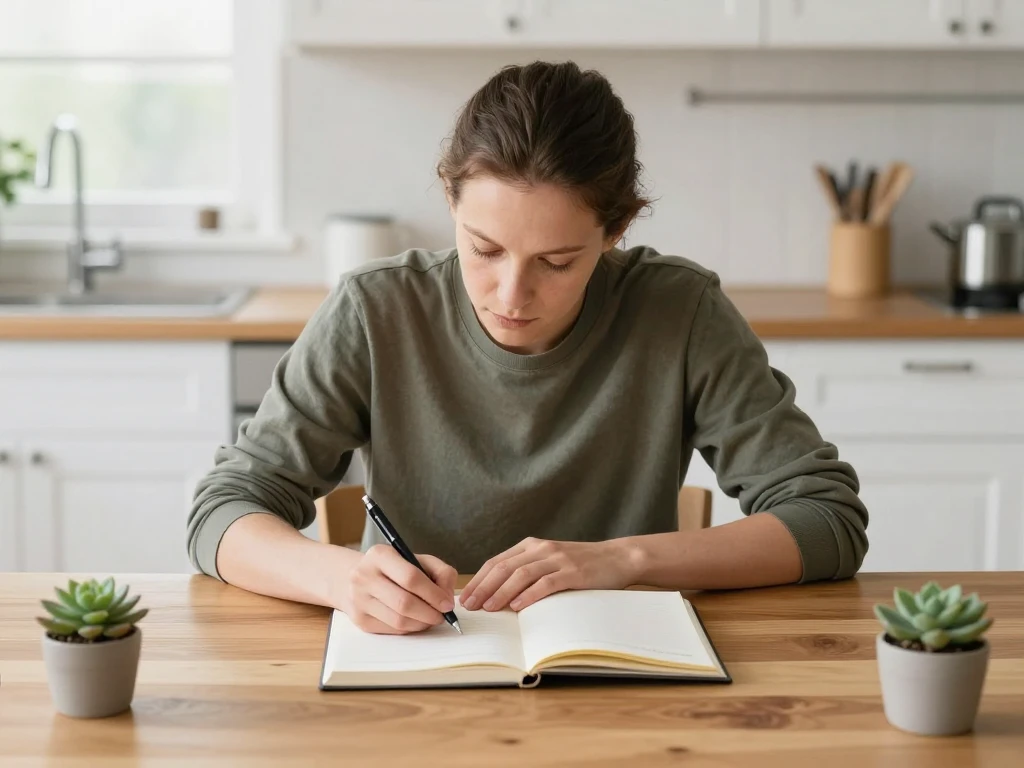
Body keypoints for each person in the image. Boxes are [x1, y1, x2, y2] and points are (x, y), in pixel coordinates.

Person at [187, 60, 869, 636]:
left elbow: (825, 517)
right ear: (449, 198)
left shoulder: (680, 312)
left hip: (619, 665)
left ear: (616, 230)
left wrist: (622, 560)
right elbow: (223, 511)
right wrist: (342, 576)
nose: (512, 294)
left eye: (558, 261)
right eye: (484, 249)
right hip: (418, 667)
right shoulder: (375, 309)